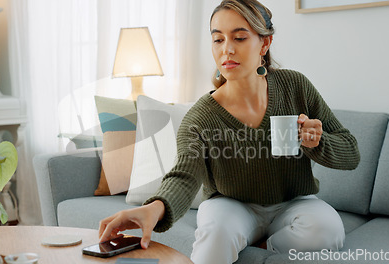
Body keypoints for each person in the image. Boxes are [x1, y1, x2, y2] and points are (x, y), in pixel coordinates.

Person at [99, 0, 360, 263]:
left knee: (327, 230)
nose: (227, 50)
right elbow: (184, 176)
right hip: (229, 204)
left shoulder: (295, 86)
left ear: (264, 43)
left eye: (239, 38)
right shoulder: (202, 116)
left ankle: (261, 247)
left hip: (294, 201)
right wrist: (154, 208)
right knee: (215, 238)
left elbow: (351, 151)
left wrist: (318, 142)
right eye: (218, 39)